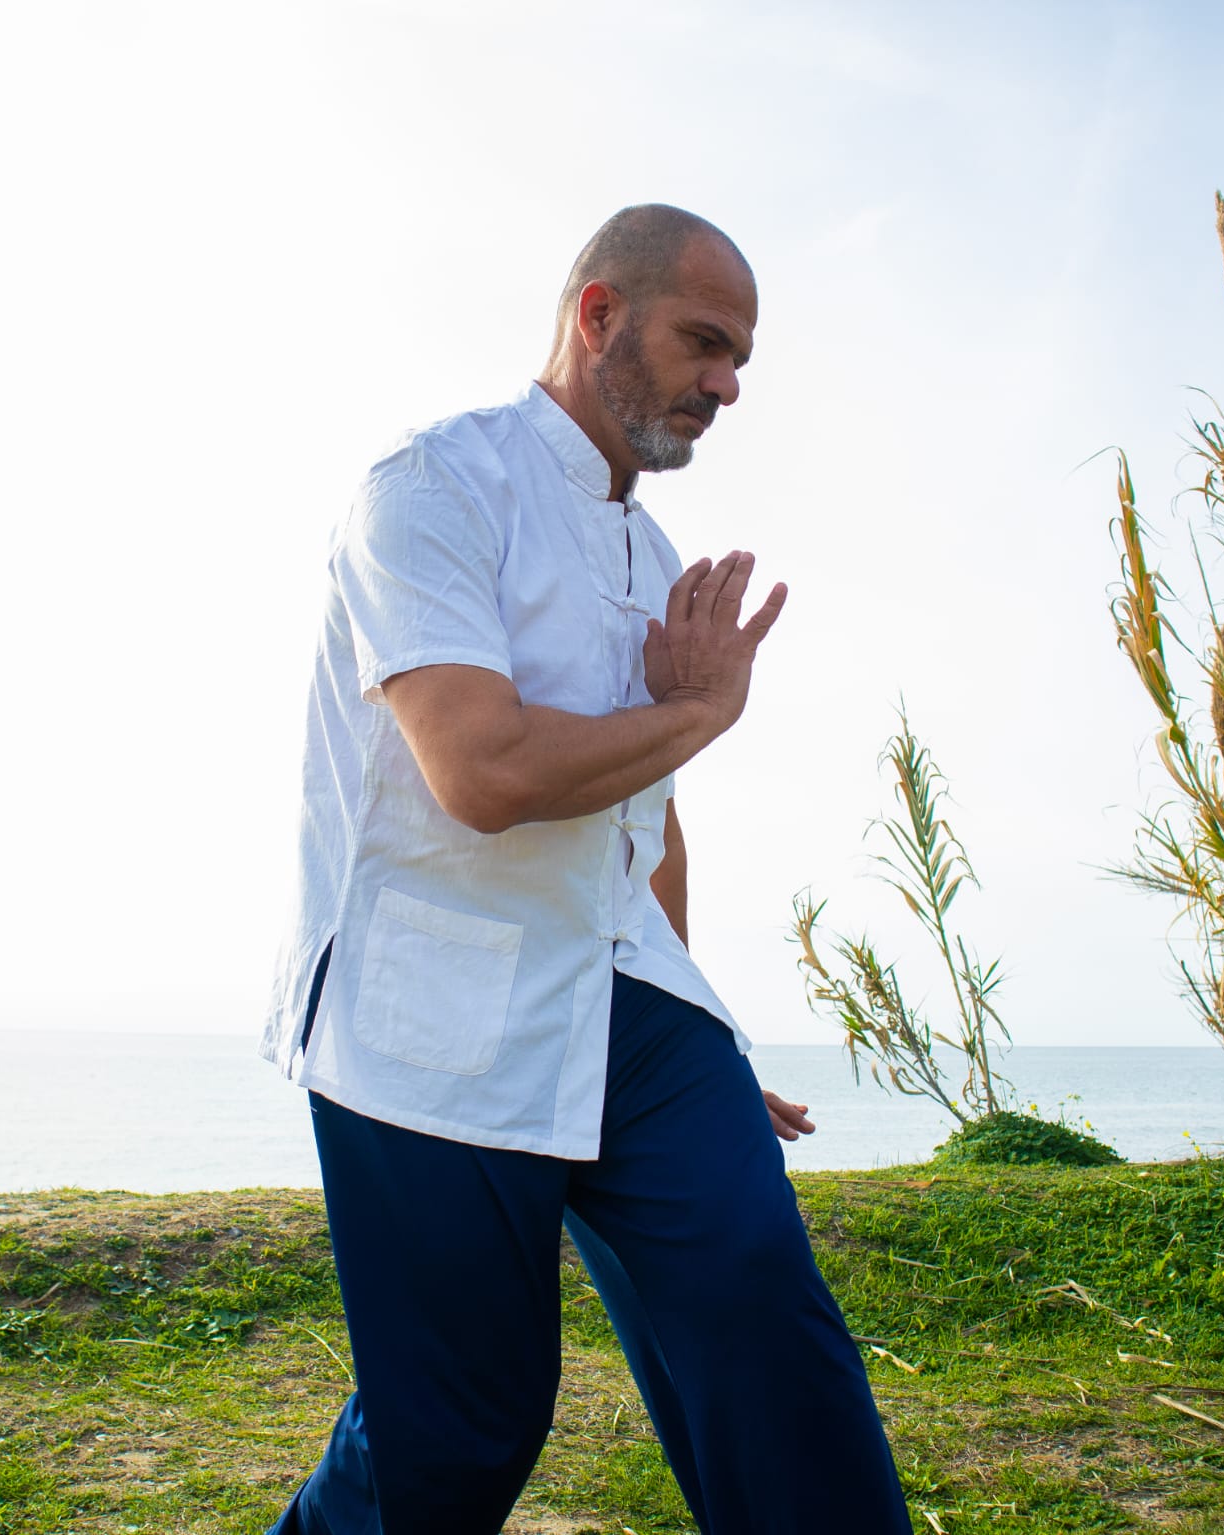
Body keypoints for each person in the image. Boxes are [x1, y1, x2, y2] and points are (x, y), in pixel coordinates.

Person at [260, 204, 911, 1535]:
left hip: (630, 1013)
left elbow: (645, 824)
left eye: (739, 362)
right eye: (704, 343)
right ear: (599, 314)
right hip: (430, 1018)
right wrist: (695, 713)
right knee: (456, 1436)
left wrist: (700, 1012)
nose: (726, 385)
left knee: (760, 1314)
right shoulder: (433, 489)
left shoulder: (654, 559)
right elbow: (483, 773)